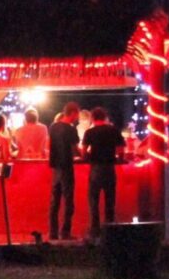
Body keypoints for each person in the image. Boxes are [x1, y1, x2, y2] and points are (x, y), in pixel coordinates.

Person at [82, 107, 125, 235]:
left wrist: (87, 158)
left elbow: (84, 151)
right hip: (110, 168)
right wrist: (119, 159)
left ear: (93, 118)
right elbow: (121, 150)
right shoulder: (114, 130)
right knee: (110, 200)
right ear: (105, 117)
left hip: (96, 168)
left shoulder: (89, 132)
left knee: (93, 200)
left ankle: (95, 229)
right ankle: (109, 229)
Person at [47, 103, 82, 241]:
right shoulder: (71, 129)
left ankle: (53, 232)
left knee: (54, 202)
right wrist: (83, 156)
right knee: (68, 201)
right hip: (67, 166)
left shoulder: (53, 127)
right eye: (77, 114)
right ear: (72, 113)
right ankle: (65, 232)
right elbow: (75, 148)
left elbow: (50, 145)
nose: (77, 117)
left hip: (56, 167)